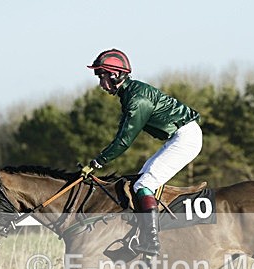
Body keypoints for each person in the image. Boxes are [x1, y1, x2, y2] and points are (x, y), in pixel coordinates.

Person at [80, 49, 202, 256]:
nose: (101, 84)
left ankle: (151, 242)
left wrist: (97, 162)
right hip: (180, 136)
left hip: (186, 138)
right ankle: (140, 235)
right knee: (139, 180)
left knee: (144, 184)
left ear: (115, 75)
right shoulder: (130, 93)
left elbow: (124, 140)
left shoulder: (137, 99)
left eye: (102, 77)